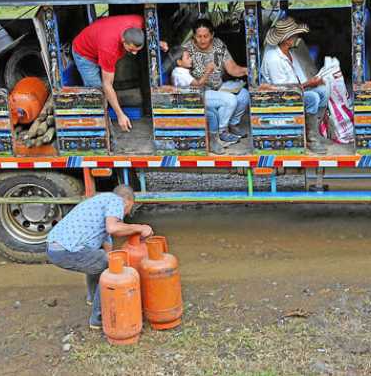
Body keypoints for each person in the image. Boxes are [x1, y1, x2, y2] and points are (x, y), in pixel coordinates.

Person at [46, 185, 153, 330]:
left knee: (99, 259)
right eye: (129, 209)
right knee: (107, 267)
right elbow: (113, 228)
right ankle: (99, 318)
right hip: (65, 249)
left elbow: (107, 242)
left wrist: (111, 258)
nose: (127, 214)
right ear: (127, 201)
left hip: (56, 247)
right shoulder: (115, 201)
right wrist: (140, 227)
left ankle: (92, 299)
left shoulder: (100, 203)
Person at [72, 14, 168, 132]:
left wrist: (156, 42)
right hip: (84, 52)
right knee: (98, 91)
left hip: (99, 37)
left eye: (137, 50)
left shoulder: (138, 21)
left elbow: (150, 29)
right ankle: (98, 131)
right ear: (123, 41)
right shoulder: (109, 50)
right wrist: (120, 115)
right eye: (131, 50)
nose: (134, 54)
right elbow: (107, 85)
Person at [260, 17, 328, 154]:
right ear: (287, 39)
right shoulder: (274, 59)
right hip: (279, 98)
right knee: (313, 98)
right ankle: (311, 138)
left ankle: (314, 129)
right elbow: (285, 91)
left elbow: (294, 82)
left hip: (293, 90)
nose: (297, 37)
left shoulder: (288, 52)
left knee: (323, 91)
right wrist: (309, 83)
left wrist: (313, 82)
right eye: (295, 35)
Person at [183, 19, 251, 144]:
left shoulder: (218, 45)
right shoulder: (188, 49)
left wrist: (248, 70)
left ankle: (233, 124)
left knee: (244, 95)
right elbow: (182, 74)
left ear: (212, 35)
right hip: (199, 92)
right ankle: (221, 131)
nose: (202, 40)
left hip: (218, 87)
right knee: (230, 99)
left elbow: (232, 68)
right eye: (199, 36)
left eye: (206, 36)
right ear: (194, 36)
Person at [166, 46, 239, 154]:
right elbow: (198, 84)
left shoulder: (182, 70)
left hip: (193, 101)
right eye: (188, 57)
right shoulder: (179, 72)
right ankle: (213, 142)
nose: (191, 59)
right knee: (212, 115)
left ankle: (215, 139)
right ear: (179, 62)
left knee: (214, 112)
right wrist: (208, 71)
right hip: (187, 104)